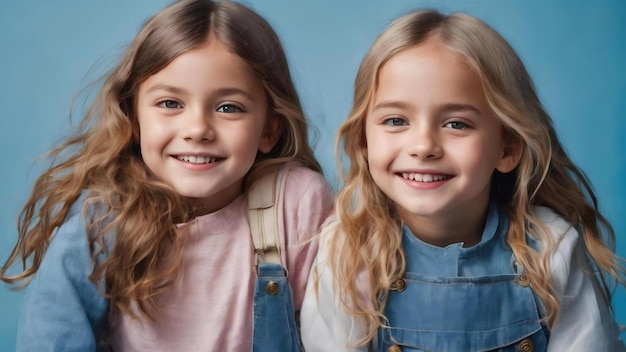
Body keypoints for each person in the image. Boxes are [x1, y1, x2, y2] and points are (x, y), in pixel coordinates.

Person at [0, 0, 334, 350]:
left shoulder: (295, 203)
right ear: (134, 117)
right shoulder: (103, 219)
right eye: (170, 103)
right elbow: (49, 335)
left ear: (269, 130)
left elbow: (339, 328)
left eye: (228, 108)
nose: (197, 129)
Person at [301, 9, 626, 352]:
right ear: (364, 142)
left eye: (457, 124)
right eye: (396, 120)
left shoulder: (551, 248)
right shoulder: (347, 253)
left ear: (508, 148)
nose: (423, 146)